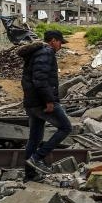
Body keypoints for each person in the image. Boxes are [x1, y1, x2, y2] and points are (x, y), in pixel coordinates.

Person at [19, 29, 72, 176]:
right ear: (53, 40)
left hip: (32, 102)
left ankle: (30, 175)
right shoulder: (46, 52)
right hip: (41, 102)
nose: (61, 46)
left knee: (34, 139)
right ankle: (37, 158)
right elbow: (40, 79)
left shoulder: (37, 53)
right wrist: (49, 101)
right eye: (60, 42)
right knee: (66, 128)